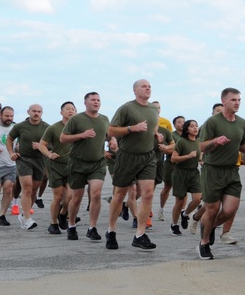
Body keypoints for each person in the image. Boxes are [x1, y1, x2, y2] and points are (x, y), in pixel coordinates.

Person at [196, 88, 245, 260]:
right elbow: (200, 146)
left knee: (229, 210)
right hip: (213, 170)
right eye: (233, 100)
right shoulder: (212, 122)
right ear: (224, 101)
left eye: (239, 100)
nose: (237, 103)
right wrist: (215, 141)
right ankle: (204, 243)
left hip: (232, 171)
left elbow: (242, 143)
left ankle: (208, 225)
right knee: (212, 209)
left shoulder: (242, 123)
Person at [106, 79, 161, 250]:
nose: (148, 88)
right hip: (128, 156)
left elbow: (153, 127)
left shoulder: (153, 109)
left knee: (148, 194)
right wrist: (131, 128)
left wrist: (157, 136)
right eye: (144, 86)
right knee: (120, 195)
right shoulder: (126, 108)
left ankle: (140, 235)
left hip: (148, 157)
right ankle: (111, 231)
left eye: (150, 86)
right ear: (135, 90)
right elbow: (111, 130)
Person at [61, 93, 110, 240]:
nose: (96, 102)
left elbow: (109, 134)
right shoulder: (77, 119)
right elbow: (63, 138)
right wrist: (81, 135)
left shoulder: (104, 119)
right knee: (77, 197)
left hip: (97, 163)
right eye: (93, 100)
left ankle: (92, 227)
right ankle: (71, 225)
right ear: (85, 103)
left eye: (98, 100)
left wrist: (113, 140)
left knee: (96, 194)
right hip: (77, 163)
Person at [7, 104, 50, 229]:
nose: (36, 113)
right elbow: (9, 139)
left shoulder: (47, 127)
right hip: (23, 159)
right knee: (27, 188)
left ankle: (24, 213)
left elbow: (53, 143)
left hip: (40, 160)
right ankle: (27, 219)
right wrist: (11, 153)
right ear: (28, 112)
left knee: (33, 190)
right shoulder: (20, 126)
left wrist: (41, 146)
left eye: (39, 111)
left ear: (42, 113)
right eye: (34, 111)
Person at [39, 101, 76, 236]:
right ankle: (53, 223)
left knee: (70, 195)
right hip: (56, 165)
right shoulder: (53, 128)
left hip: (73, 165)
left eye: (73, 109)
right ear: (61, 112)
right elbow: (42, 145)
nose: (70, 111)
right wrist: (49, 154)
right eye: (67, 109)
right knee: (58, 196)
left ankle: (63, 213)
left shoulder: (79, 128)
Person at [169, 120, 201, 236]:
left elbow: (199, 155)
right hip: (180, 173)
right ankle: (174, 224)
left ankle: (185, 214)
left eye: (196, 126)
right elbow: (173, 159)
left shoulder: (198, 141)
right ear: (187, 129)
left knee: (198, 199)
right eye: (192, 126)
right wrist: (188, 156)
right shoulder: (182, 142)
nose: (195, 128)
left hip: (194, 172)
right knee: (180, 201)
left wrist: (201, 159)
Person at [0, 107, 17, 225]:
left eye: (11, 116)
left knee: (8, 189)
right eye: (7, 116)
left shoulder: (15, 128)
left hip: (11, 165)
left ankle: (2, 216)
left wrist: (18, 150)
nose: (9, 118)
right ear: (1, 115)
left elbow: (18, 142)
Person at [159, 115, 184, 222]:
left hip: (183, 166)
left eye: (183, 122)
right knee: (167, 187)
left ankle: (182, 211)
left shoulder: (188, 136)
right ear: (174, 125)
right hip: (170, 165)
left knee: (183, 189)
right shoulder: (171, 135)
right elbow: (165, 149)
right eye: (179, 122)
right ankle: (161, 209)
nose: (182, 124)